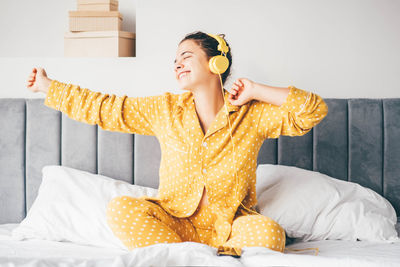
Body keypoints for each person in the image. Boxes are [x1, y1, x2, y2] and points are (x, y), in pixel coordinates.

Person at [27, 31, 328, 257]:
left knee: (269, 232)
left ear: (216, 62)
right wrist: (48, 87)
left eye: (186, 56)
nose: (177, 64)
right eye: (174, 60)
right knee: (121, 208)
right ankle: (194, 259)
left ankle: (194, 259)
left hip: (232, 228)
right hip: (175, 224)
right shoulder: (165, 109)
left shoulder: (252, 115)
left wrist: (255, 89)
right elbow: (107, 108)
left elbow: (313, 110)